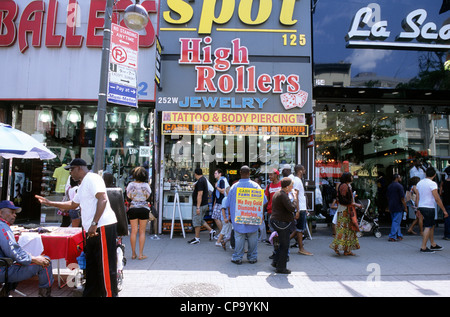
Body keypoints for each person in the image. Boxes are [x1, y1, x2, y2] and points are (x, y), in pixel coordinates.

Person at [35, 158, 118, 297]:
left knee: (104, 266)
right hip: (92, 228)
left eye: (71, 169)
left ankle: (110, 295)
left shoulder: (92, 178)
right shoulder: (83, 183)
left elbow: (102, 199)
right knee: (92, 265)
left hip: (102, 226)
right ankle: (91, 294)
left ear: (80, 168)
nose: (70, 173)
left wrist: (94, 223)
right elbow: (73, 204)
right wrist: (50, 203)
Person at [0, 200, 53, 297]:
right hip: (3, 270)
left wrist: (30, 257)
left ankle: (5, 291)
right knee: (46, 262)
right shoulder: (2, 226)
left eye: (15, 213)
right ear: (0, 213)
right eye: (11, 212)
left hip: (4, 266)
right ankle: (45, 296)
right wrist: (34, 259)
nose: (14, 215)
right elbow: (13, 252)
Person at [223, 165, 267, 264]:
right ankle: (252, 257)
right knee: (253, 238)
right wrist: (261, 214)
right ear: (249, 173)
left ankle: (237, 257)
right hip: (253, 216)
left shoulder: (234, 187)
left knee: (239, 237)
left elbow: (228, 204)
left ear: (240, 173)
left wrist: (230, 215)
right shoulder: (256, 186)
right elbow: (263, 201)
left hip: (238, 217)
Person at [417, 167, 448, 253]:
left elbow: (418, 197)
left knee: (431, 225)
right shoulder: (433, 184)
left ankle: (433, 244)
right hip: (429, 207)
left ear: (426, 174)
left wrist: (418, 208)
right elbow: (437, 198)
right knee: (428, 226)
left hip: (422, 206)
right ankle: (423, 247)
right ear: (434, 175)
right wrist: (444, 210)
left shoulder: (420, 183)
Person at [270, 177, 297, 274]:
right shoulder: (283, 195)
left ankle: (276, 262)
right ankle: (281, 267)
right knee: (285, 245)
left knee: (282, 243)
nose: (292, 187)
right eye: (291, 186)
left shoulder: (278, 193)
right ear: (286, 187)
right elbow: (292, 208)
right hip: (281, 222)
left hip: (277, 220)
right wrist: (295, 198)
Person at [329, 172, 361, 256]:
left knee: (348, 231)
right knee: (343, 230)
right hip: (344, 211)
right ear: (348, 178)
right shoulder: (344, 186)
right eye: (351, 176)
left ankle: (346, 250)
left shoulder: (345, 186)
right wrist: (354, 204)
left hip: (346, 210)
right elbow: (343, 200)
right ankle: (338, 247)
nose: (352, 178)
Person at [126, 167, 152, 260]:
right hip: (143, 208)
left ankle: (133, 253)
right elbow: (148, 195)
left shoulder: (130, 185)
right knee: (142, 232)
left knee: (133, 231)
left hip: (133, 208)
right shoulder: (146, 185)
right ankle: (141, 254)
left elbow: (128, 195)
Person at [188, 168, 215, 245]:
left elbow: (200, 194)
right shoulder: (203, 179)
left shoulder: (200, 181)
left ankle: (197, 238)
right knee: (200, 219)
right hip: (204, 204)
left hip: (200, 204)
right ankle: (211, 230)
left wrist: (198, 207)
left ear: (195, 174)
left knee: (197, 221)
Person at [291, 164, 312, 255]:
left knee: (299, 228)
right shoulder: (297, 181)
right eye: (303, 169)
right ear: (300, 171)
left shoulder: (297, 180)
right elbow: (296, 195)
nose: (305, 170)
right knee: (300, 229)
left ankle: (282, 242)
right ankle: (301, 248)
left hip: (302, 208)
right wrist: (298, 210)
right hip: (300, 209)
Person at [387, 174, 407, 241]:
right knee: (396, 221)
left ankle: (399, 234)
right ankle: (392, 236)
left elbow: (388, 196)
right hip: (398, 205)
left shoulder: (390, 186)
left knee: (395, 220)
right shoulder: (399, 186)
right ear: (397, 178)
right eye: (399, 177)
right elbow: (402, 198)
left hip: (391, 205)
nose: (400, 178)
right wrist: (405, 207)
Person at [212, 169, 229, 238]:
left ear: (220, 174)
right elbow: (217, 195)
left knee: (216, 217)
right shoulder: (219, 181)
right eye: (214, 173)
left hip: (221, 202)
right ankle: (222, 233)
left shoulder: (221, 181)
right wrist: (214, 204)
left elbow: (222, 191)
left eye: (216, 173)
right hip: (218, 202)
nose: (214, 174)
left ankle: (222, 233)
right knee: (218, 217)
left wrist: (216, 187)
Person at [440, 170, 450, 240]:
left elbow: (440, 193)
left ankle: (447, 235)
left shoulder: (444, 183)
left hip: (446, 202)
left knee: (447, 218)